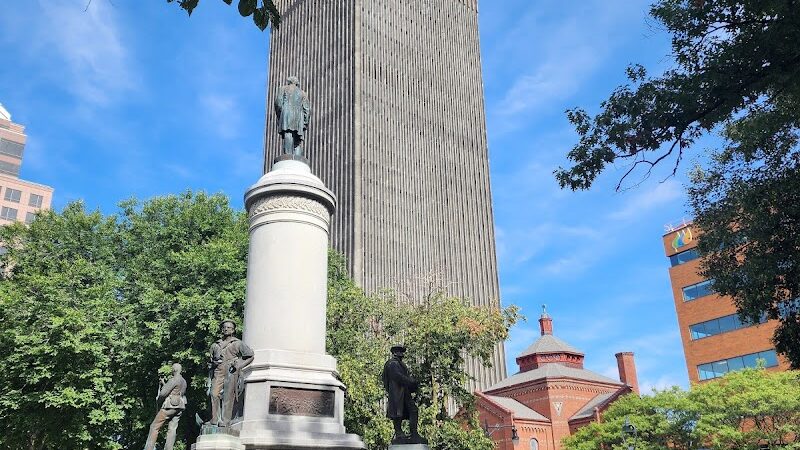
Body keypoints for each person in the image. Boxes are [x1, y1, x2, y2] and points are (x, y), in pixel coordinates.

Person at [208, 319, 254, 427]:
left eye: (229, 327)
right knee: (214, 394)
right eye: (224, 327)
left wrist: (239, 365)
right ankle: (215, 419)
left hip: (231, 370)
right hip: (218, 370)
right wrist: (213, 364)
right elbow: (210, 362)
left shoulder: (238, 343)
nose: (226, 329)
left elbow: (250, 355)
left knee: (228, 395)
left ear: (233, 330)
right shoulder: (215, 345)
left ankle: (225, 420)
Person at [381, 345, 427, 445]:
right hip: (397, 394)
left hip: (404, 393)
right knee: (398, 414)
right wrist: (411, 382)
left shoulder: (400, 364)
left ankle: (414, 433)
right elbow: (399, 377)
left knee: (413, 410)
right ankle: (399, 433)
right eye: (401, 353)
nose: (402, 355)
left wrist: (412, 384)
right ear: (396, 353)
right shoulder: (392, 364)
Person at [144, 363, 187, 450]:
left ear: (174, 370)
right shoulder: (184, 381)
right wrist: (164, 383)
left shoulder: (174, 379)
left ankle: (148, 448)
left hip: (170, 406)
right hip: (179, 407)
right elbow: (176, 391)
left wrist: (159, 400)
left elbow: (163, 394)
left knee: (154, 426)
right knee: (172, 429)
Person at [274, 76, 311, 157]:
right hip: (299, 117)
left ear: (289, 82)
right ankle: (297, 159)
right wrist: (305, 122)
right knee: (297, 139)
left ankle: (288, 156)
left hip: (287, 114)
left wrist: (281, 115)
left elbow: (278, 103)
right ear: (297, 83)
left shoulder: (283, 89)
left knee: (288, 133)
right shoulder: (303, 93)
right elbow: (307, 109)